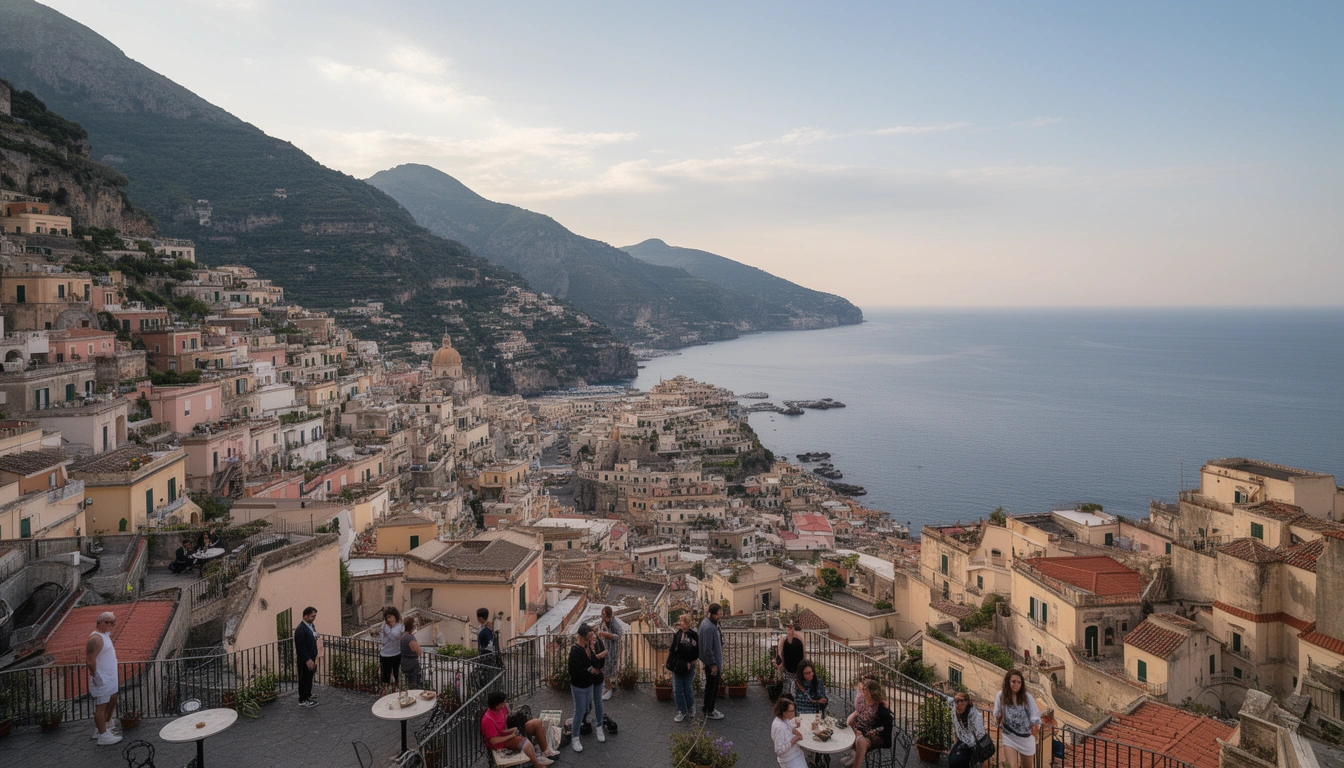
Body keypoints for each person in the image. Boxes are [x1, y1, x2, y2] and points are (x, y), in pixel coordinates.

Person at [481, 691, 558, 767]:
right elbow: (493, 741)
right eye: (502, 704)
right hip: (500, 743)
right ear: (495, 705)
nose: (504, 705)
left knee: (536, 723)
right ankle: (536, 763)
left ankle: (546, 751)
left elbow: (503, 727)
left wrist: (512, 729)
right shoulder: (488, 720)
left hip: (507, 733)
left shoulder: (502, 709)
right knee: (525, 743)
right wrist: (511, 736)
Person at [567, 623, 606, 752]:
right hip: (579, 685)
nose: (589, 639)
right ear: (581, 637)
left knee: (584, 709)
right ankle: (575, 737)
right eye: (587, 637)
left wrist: (596, 662)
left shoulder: (587, 647)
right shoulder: (575, 651)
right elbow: (574, 670)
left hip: (588, 684)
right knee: (579, 711)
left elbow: (594, 661)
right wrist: (590, 671)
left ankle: (577, 735)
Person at [993, 669, 1041, 768]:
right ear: (1008, 682)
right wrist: (998, 718)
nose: (1016, 684)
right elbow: (997, 712)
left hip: (1025, 737)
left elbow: (1034, 715)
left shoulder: (1027, 697)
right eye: (1013, 681)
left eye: (1019, 682)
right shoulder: (1001, 695)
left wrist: (1035, 726)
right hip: (1009, 736)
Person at [87, 611, 122, 745]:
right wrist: (96, 676)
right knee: (101, 706)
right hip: (102, 678)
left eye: (112, 623)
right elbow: (90, 660)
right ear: (99, 622)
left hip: (110, 678)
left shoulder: (104, 635)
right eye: (107, 622)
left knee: (113, 698)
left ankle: (105, 726)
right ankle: (102, 735)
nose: (110, 625)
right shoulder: (95, 639)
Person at [844, 679, 892, 768]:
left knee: (860, 740)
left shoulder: (881, 709)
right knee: (847, 731)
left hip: (878, 736)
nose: (863, 693)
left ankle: (856, 765)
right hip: (864, 731)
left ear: (872, 692)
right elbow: (860, 718)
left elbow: (885, 728)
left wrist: (865, 733)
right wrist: (855, 728)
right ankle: (854, 755)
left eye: (866, 690)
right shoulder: (865, 703)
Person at [665, 612, 699, 722]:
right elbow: (673, 650)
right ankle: (682, 711)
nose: (680, 623)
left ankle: (691, 707)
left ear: (687, 623)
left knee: (687, 688)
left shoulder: (693, 635)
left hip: (689, 665)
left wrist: (690, 662)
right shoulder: (677, 635)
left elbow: (696, 651)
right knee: (677, 689)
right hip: (678, 666)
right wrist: (671, 663)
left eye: (682, 621)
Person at [699, 603, 724, 720]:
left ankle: (707, 708)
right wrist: (713, 665)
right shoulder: (709, 627)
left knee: (710, 687)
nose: (721, 616)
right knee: (712, 688)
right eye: (719, 614)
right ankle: (710, 710)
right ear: (713, 614)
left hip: (710, 662)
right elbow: (707, 648)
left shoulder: (707, 623)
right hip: (713, 664)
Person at [949, 692, 988, 768]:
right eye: (956, 701)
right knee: (952, 759)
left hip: (973, 744)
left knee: (960, 761)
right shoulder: (954, 710)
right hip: (962, 741)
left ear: (967, 702)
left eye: (961, 701)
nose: (958, 703)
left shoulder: (975, 715)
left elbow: (980, 734)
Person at [771, 696, 808, 768]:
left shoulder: (784, 719)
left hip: (795, 753)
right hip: (789, 759)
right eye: (790, 711)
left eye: (793, 710)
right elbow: (779, 750)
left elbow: (788, 728)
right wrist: (795, 739)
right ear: (783, 711)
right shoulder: (779, 727)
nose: (793, 714)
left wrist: (795, 726)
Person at [295, 606, 319, 708]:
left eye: (314, 616)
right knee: (304, 678)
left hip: (311, 656)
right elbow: (301, 647)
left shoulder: (311, 625)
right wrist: (307, 659)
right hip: (305, 659)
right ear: (305, 616)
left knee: (309, 677)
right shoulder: (300, 630)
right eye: (312, 616)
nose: (314, 618)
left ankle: (308, 694)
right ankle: (303, 699)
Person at [375, 607, 404, 691]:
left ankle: (396, 691)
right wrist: (391, 629)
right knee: (385, 676)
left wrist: (391, 629)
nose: (389, 619)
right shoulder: (385, 626)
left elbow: (396, 636)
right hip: (385, 654)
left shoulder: (399, 626)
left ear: (395, 616)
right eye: (387, 617)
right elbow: (394, 636)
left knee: (396, 675)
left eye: (391, 616)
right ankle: (385, 691)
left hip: (396, 653)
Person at [598, 605, 623, 701]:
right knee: (604, 668)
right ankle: (607, 687)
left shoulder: (614, 623)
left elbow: (619, 635)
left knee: (608, 669)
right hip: (605, 648)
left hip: (612, 650)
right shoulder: (603, 622)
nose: (602, 615)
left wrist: (609, 636)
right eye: (602, 613)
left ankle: (608, 689)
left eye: (604, 614)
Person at [775, 621, 805, 687]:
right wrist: (780, 663)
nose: (791, 630)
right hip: (788, 666)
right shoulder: (783, 639)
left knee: (794, 685)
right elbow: (780, 653)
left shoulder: (799, 639)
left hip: (797, 666)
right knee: (789, 684)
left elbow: (804, 653)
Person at [400, 616, 424, 689]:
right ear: (412, 627)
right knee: (415, 686)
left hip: (404, 663)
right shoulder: (411, 639)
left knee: (409, 684)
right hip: (413, 666)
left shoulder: (403, 637)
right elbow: (420, 652)